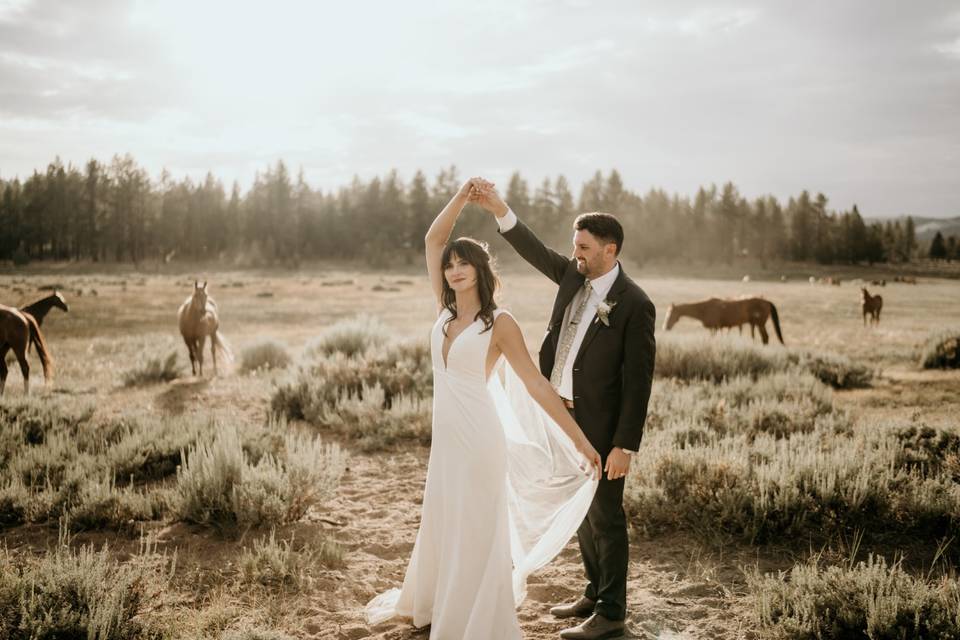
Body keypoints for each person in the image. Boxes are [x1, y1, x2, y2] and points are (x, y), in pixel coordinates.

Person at [365, 177, 601, 639]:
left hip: (480, 442)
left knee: (475, 528)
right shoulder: (445, 311)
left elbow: (534, 384)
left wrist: (580, 439)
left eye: (463, 264)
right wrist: (461, 196)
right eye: (450, 265)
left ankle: (473, 617)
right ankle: (437, 603)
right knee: (443, 519)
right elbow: (433, 239)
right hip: (446, 442)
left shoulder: (501, 323)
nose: (453, 271)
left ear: (480, 269)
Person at [471, 178, 656, 640]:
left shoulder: (636, 305)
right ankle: (594, 593)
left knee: (607, 517)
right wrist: (500, 209)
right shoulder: (575, 276)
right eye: (575, 246)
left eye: (585, 247)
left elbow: (638, 383)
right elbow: (534, 250)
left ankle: (613, 613)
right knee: (583, 511)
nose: (576, 253)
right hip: (563, 417)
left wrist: (624, 446)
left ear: (610, 250)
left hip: (603, 425)